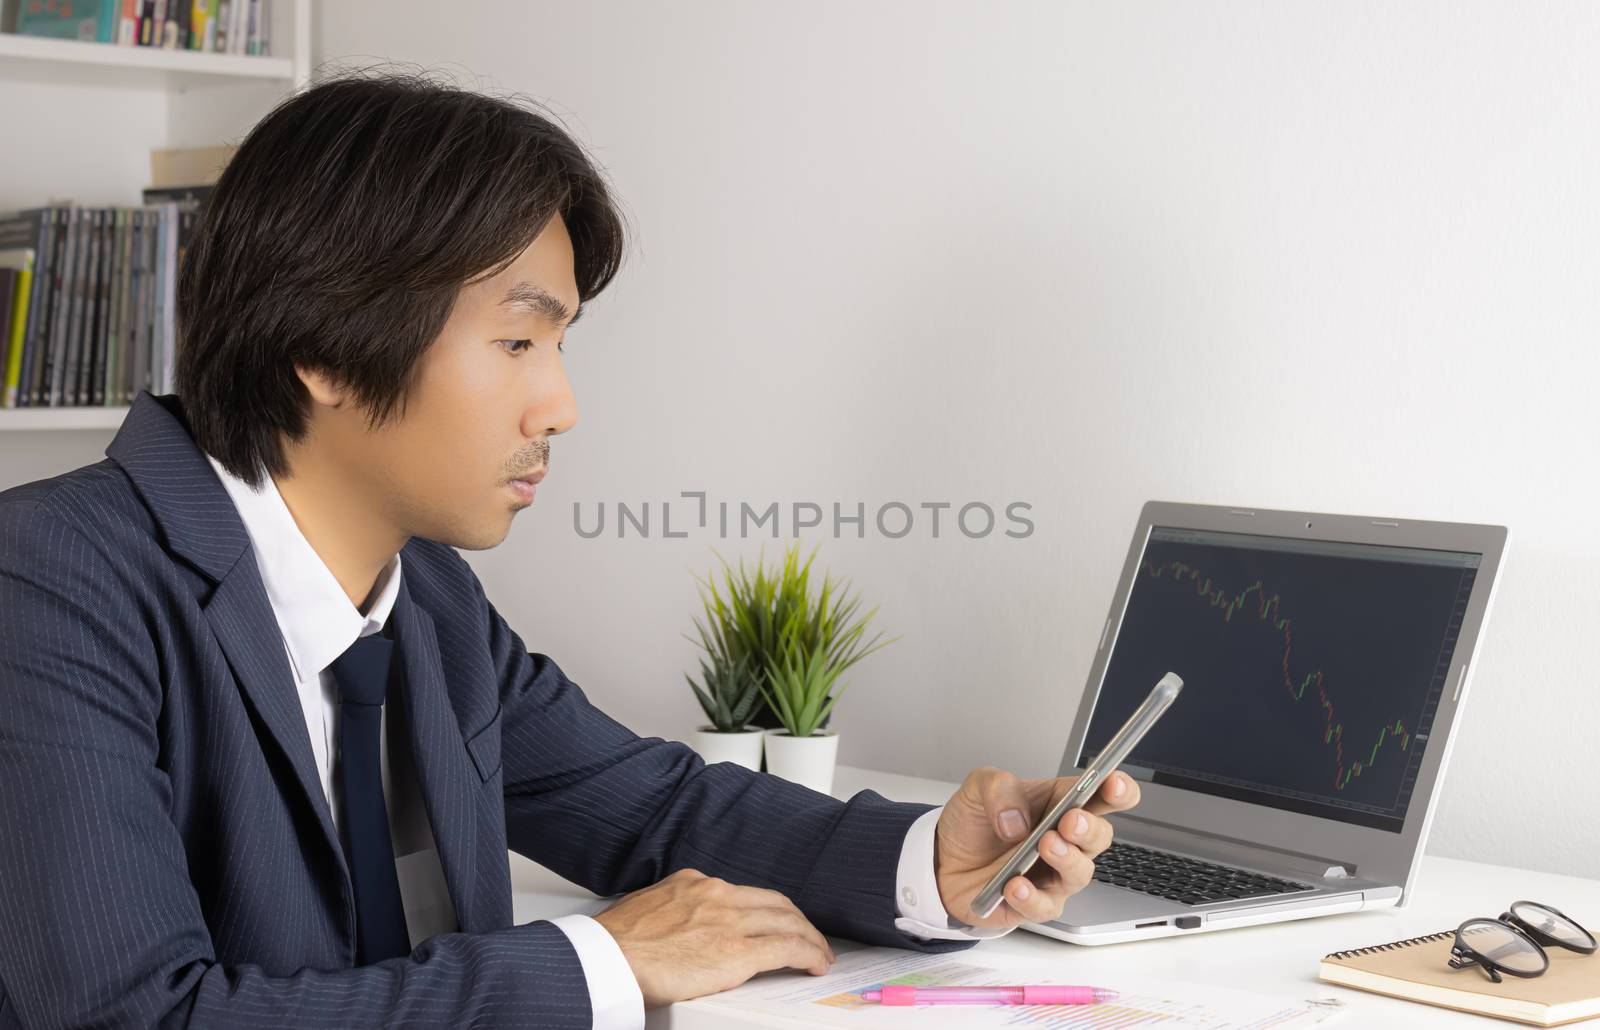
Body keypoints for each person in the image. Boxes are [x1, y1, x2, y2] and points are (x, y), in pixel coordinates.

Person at [0, 72, 1139, 1029]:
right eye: (514, 339)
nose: (559, 405)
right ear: (322, 349)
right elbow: (132, 1014)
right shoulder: (49, 582)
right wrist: (601, 960)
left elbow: (650, 808)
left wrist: (929, 860)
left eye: (558, 343)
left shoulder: (426, 596)